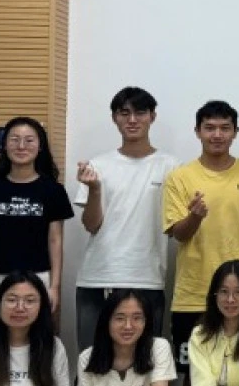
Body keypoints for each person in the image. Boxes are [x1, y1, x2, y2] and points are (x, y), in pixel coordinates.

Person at [163, 100, 239, 386]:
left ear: (235, 132)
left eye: (225, 128)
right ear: (197, 131)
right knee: (193, 375)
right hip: (193, 294)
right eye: (209, 128)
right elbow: (178, 234)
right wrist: (195, 217)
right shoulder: (180, 177)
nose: (217, 135)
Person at [74, 86, 179, 349]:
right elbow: (91, 225)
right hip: (98, 277)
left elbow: (174, 226)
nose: (132, 120)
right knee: (92, 360)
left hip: (148, 278)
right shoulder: (98, 165)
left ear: (152, 116)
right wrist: (95, 189)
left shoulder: (171, 166)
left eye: (140, 113)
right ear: (114, 118)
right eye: (124, 113)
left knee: (146, 362)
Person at [0, 116, 74, 332]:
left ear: (40, 146)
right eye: (14, 139)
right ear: (4, 146)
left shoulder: (53, 191)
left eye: (29, 140)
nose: (21, 146)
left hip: (37, 278)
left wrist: (54, 287)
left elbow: (55, 241)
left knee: (34, 341)